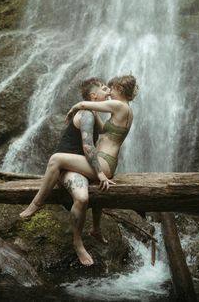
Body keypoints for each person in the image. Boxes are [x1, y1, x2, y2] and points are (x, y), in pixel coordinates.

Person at [20, 74, 137, 264]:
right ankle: (96, 229)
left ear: (121, 90)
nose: (109, 91)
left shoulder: (119, 106)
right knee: (85, 195)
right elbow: (100, 129)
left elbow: (84, 107)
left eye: (112, 88)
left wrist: (77, 106)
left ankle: (36, 204)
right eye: (105, 89)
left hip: (103, 163)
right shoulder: (124, 110)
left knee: (56, 158)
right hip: (106, 162)